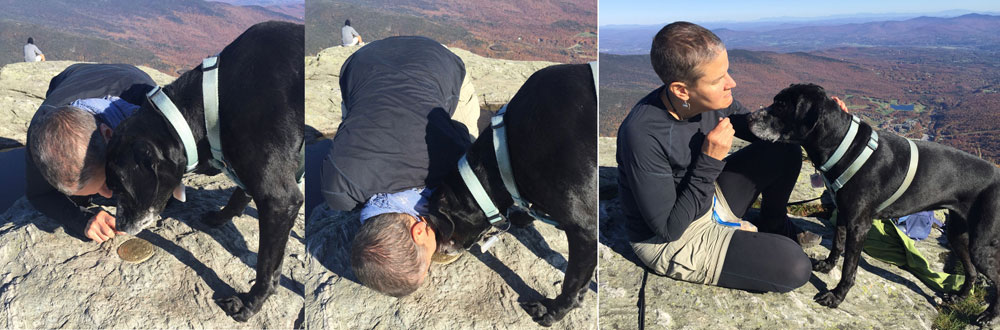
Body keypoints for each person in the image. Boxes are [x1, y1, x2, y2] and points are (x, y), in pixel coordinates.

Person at [616, 22, 829, 293]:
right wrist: (709, 161)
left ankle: (772, 224)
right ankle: (748, 236)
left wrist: (824, 125)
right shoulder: (642, 134)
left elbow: (762, 130)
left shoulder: (712, 101)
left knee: (784, 149)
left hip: (706, 197)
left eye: (726, 71)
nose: (731, 83)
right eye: (718, 80)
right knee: (796, 266)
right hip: (674, 239)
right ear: (682, 90)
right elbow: (668, 229)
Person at [320, 36, 480, 297]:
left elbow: (460, 134)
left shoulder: (453, 163)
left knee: (472, 148)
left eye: (429, 258)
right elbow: (347, 139)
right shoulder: (337, 191)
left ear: (419, 231)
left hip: (437, 60)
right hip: (363, 61)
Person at [25, 63, 156, 242]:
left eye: (105, 183)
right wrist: (82, 219)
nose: (108, 196)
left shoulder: (150, 111)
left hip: (131, 77)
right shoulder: (40, 136)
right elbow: (39, 194)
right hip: (69, 80)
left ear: (109, 135)